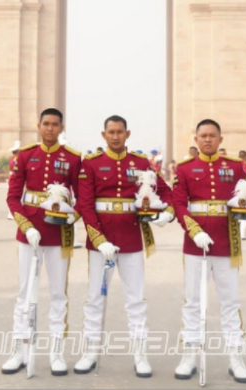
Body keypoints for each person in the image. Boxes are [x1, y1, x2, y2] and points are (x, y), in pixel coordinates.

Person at [74, 115, 174, 378]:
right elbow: (85, 205)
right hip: (101, 242)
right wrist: (99, 239)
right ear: (103, 134)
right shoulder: (91, 164)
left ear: (127, 134)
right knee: (95, 299)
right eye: (111, 132)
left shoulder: (141, 163)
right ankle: (90, 352)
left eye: (120, 132)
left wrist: (166, 212)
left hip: (131, 239)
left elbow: (166, 191)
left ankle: (140, 355)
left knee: (136, 300)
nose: (116, 136)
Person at [173, 119, 246, 384]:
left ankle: (235, 356)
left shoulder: (237, 167)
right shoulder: (185, 169)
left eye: (212, 136)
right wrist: (194, 230)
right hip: (196, 243)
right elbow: (179, 205)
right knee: (193, 302)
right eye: (203, 136)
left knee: (230, 302)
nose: (207, 140)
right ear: (196, 138)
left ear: (220, 139)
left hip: (227, 242)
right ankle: (190, 354)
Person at [3, 108, 81, 376]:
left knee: (58, 293)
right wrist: (26, 226)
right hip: (30, 233)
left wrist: (74, 216)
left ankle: (57, 352)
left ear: (61, 127)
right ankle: (20, 350)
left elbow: (82, 196)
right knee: (24, 294)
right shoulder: (26, 155)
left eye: (54, 124)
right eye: (45, 124)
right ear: (38, 126)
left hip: (59, 233)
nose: (49, 128)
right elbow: (13, 197)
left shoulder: (72, 158)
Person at [7, 141, 21, 220]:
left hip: (15, 178)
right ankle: (11, 213)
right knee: (13, 197)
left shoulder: (13, 158)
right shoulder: (15, 159)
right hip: (15, 178)